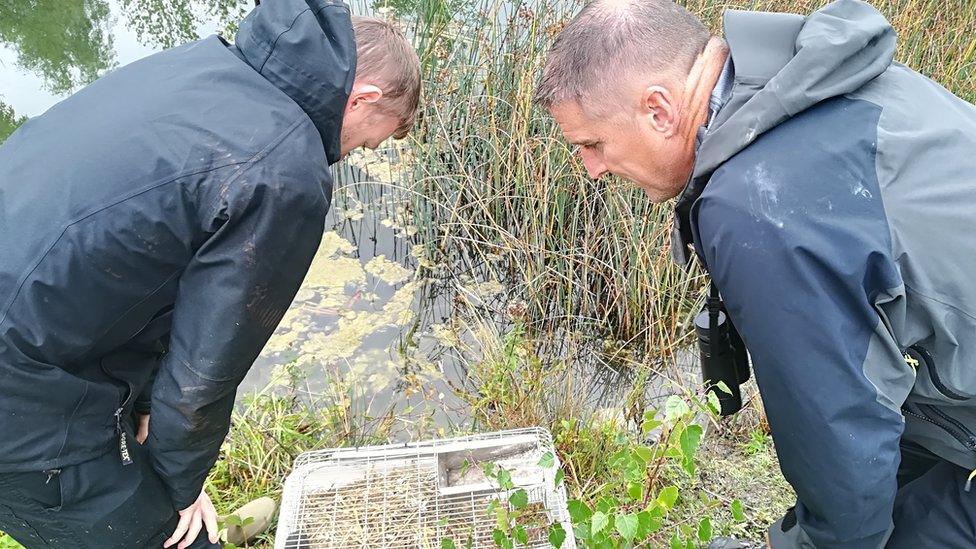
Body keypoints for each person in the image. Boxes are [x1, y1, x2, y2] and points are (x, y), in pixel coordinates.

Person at [535, 0, 976, 547]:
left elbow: (843, 439)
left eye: (593, 144)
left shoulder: (756, 205)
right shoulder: (821, 79)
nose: (593, 170)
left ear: (658, 109)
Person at [0, 0, 421, 546]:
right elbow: (205, 372)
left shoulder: (202, 66)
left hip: (42, 312)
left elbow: (149, 268)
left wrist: (145, 411)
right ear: (363, 99)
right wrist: (176, 488)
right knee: (168, 533)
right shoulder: (282, 171)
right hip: (23, 388)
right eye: (368, 139)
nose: (352, 155)